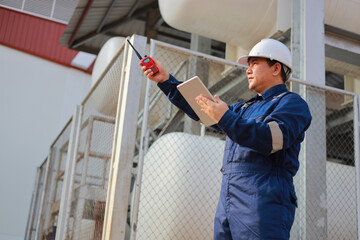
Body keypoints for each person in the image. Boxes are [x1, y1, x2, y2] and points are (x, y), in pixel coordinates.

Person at [140, 38, 312, 240]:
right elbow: (202, 109)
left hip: (262, 199)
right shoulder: (243, 108)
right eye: (248, 65)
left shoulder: (292, 103)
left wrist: (225, 116)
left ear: (276, 68)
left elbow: (272, 138)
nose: (248, 70)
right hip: (229, 198)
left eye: (255, 63)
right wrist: (166, 80)